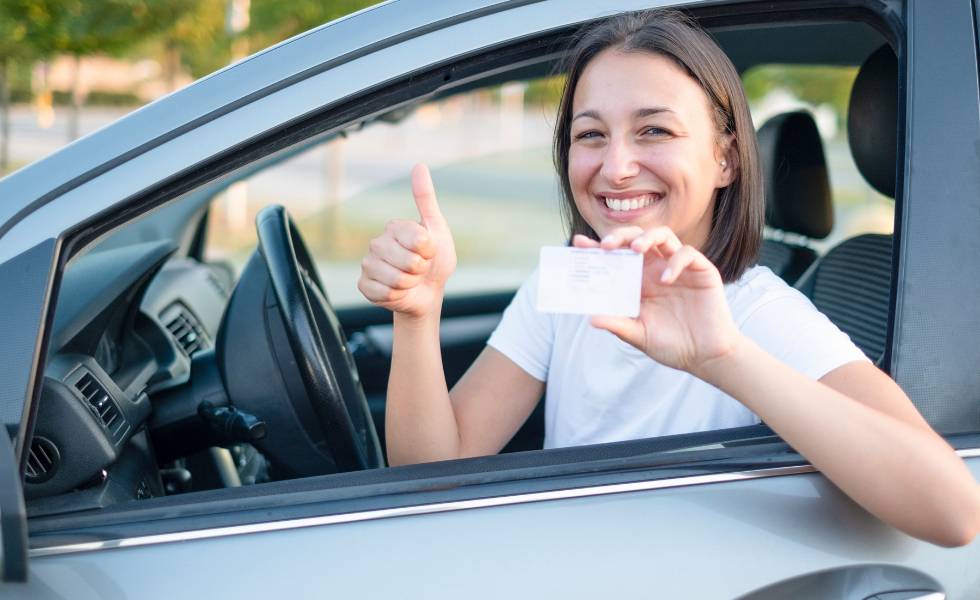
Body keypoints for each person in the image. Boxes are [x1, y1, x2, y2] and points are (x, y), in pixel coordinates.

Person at [357, 10, 980, 546]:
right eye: (590, 135)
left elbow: (953, 511)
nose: (617, 167)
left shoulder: (757, 311)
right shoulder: (574, 285)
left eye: (654, 130)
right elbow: (432, 479)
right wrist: (418, 315)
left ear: (726, 159)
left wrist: (722, 357)